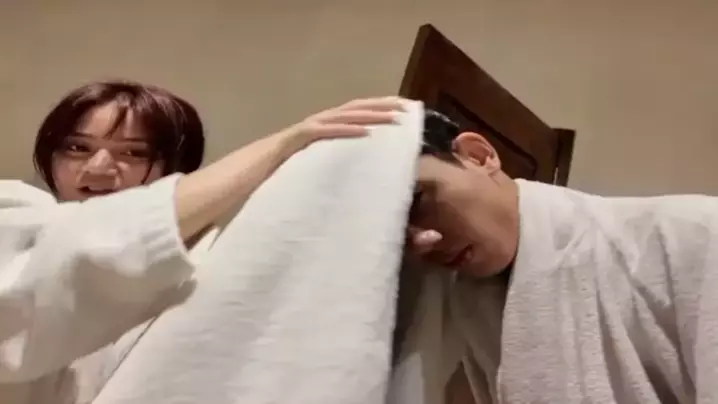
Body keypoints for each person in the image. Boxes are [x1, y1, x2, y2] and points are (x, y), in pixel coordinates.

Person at [0, 80, 405, 403]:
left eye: (134, 153)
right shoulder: (15, 217)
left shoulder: (213, 262)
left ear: (177, 166)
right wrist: (282, 143)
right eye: (77, 148)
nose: (99, 167)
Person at [404, 109, 718, 403]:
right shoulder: (459, 303)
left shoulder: (693, 233)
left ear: (478, 155)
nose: (426, 241)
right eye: (399, 234)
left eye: (419, 201)